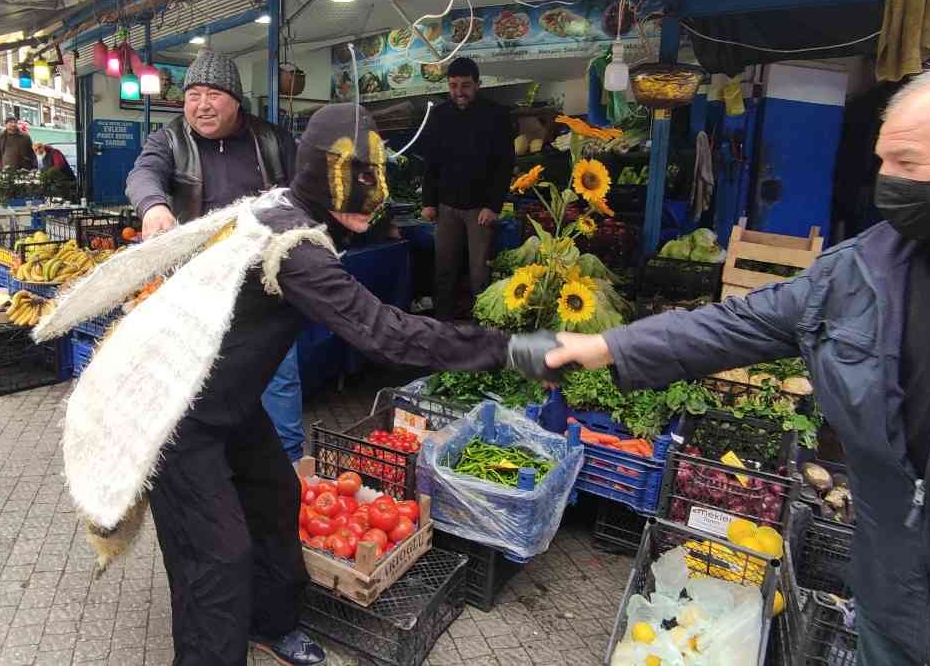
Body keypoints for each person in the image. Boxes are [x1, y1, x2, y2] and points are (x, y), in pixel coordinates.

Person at [523, 56, 930, 666]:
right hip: (894, 613)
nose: (885, 180)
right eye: (883, 158)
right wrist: (608, 345)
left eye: (907, 162)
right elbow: (747, 319)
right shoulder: (874, 262)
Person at [40, 103, 555, 666]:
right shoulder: (296, 249)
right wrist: (508, 349)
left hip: (227, 401)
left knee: (276, 496)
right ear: (320, 174)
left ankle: (270, 622)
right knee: (217, 555)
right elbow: (385, 334)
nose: (374, 194)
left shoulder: (284, 206)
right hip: (177, 414)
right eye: (358, 178)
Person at [124, 48, 308, 461]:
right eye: (193, 95)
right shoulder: (169, 138)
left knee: (278, 373)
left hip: (265, 280)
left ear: (235, 99)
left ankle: (291, 460)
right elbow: (143, 174)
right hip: (199, 285)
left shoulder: (273, 141)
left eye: (213, 94)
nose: (202, 105)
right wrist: (154, 206)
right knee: (202, 372)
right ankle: (210, 457)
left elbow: (303, 194)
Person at [419, 57, 515, 321]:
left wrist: (493, 206)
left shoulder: (496, 115)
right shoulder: (439, 116)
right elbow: (431, 162)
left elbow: (505, 164)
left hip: (480, 210)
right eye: (453, 86)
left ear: (478, 85)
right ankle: (442, 327)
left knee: (479, 274)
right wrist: (428, 202)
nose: (458, 92)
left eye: (465, 86)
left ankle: (481, 328)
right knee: (443, 271)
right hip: (446, 207)